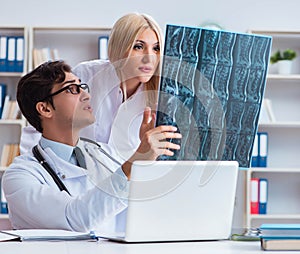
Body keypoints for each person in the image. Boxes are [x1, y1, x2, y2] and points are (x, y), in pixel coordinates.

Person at [2, 61, 181, 232]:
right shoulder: (20, 176)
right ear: (45, 109)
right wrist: (134, 162)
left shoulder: (105, 154)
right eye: (72, 89)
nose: (87, 95)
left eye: (83, 87)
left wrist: (148, 161)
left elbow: (146, 204)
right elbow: (75, 217)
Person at [20, 12, 163, 163]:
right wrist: (37, 171)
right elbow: (40, 126)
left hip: (129, 181)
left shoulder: (160, 96)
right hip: (75, 178)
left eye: (156, 48)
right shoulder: (85, 76)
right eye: (139, 46)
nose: (149, 57)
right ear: (119, 46)